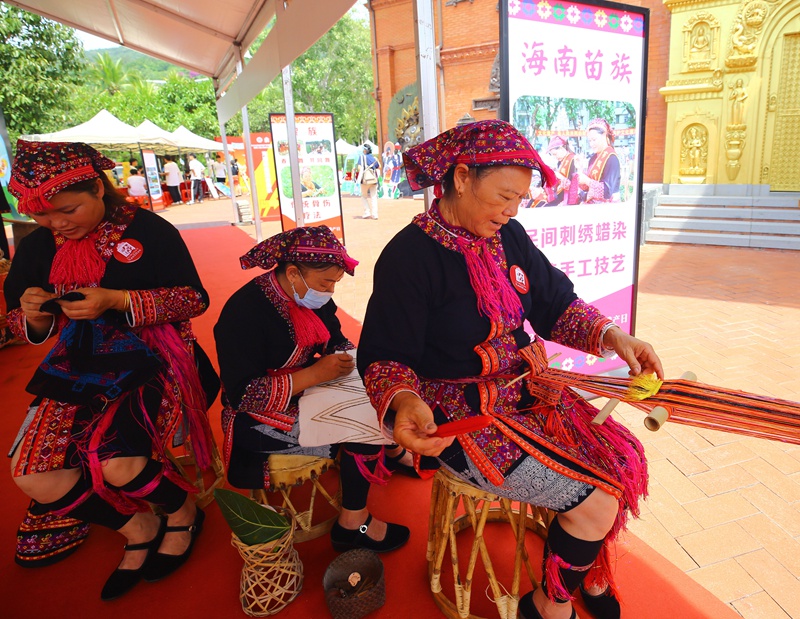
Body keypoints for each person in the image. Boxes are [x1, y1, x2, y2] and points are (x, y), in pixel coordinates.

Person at [356, 120, 663, 619]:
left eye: (520, 198)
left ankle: (580, 565)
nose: (512, 209)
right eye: (503, 195)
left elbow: (553, 302)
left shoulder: (510, 237)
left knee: (622, 460)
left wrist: (613, 336)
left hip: (529, 388)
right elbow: (387, 356)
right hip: (463, 417)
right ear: (460, 178)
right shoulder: (408, 258)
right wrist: (405, 403)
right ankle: (547, 604)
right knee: (598, 500)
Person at [3, 141, 218, 601]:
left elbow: (193, 299)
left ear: (99, 189)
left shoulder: (148, 231)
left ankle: (181, 514)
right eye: (43, 216)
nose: (56, 224)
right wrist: (36, 316)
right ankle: (135, 524)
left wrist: (117, 300)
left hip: (156, 355)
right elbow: (16, 321)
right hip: (77, 363)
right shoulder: (38, 246)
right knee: (33, 474)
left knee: (116, 462)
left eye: (67, 209)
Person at [213, 226, 410, 554]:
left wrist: (348, 358)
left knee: (377, 391)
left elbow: (334, 336)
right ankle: (352, 524)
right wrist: (313, 375)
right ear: (293, 273)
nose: (330, 291)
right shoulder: (243, 313)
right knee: (362, 426)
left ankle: (391, 451)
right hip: (255, 417)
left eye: (334, 283)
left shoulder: (307, 295)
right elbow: (241, 394)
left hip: (307, 387)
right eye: (326, 283)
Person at [575, 118, 621, 203]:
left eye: (594, 140)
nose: (591, 144)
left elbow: (607, 192)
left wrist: (587, 181)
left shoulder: (612, 158)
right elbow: (587, 187)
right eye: (590, 141)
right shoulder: (593, 158)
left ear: (604, 135)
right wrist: (580, 169)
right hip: (592, 203)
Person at [545, 136, 577, 206]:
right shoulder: (560, 162)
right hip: (560, 195)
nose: (555, 157)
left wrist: (558, 175)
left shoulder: (573, 160)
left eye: (555, 154)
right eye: (553, 155)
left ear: (562, 149)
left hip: (569, 197)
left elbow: (573, 184)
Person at [358, 144, 381, 220]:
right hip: (373, 179)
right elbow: (379, 166)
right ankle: (375, 214)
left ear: (365, 150)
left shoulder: (362, 157)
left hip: (365, 180)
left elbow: (359, 168)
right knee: (374, 197)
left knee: (364, 196)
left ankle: (367, 212)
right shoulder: (374, 158)